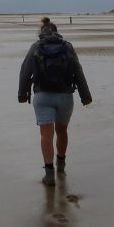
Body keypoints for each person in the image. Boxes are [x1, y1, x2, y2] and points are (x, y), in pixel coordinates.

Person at [18, 17, 92, 186]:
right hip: (65, 96)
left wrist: (22, 94)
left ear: (41, 32)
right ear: (56, 31)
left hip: (42, 96)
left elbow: (25, 70)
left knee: (46, 135)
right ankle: (61, 165)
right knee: (62, 131)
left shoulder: (36, 47)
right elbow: (78, 71)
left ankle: (49, 174)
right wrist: (85, 96)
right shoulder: (67, 47)